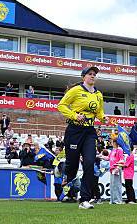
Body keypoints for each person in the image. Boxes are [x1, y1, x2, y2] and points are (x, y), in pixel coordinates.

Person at [57, 66, 105, 210]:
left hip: (89, 131)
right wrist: (74, 115)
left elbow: (99, 112)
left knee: (90, 163)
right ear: (83, 77)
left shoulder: (99, 95)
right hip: (74, 130)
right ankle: (64, 171)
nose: (93, 76)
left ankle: (85, 199)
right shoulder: (76, 90)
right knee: (73, 165)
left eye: (94, 74)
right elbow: (61, 106)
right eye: (90, 74)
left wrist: (104, 118)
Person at [108, 136, 124, 204]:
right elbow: (109, 158)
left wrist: (118, 167)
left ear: (114, 142)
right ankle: (112, 200)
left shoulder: (119, 150)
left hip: (116, 169)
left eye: (112, 141)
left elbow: (122, 159)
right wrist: (100, 156)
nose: (111, 143)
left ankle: (118, 200)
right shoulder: (112, 150)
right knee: (112, 185)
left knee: (117, 185)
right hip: (112, 169)